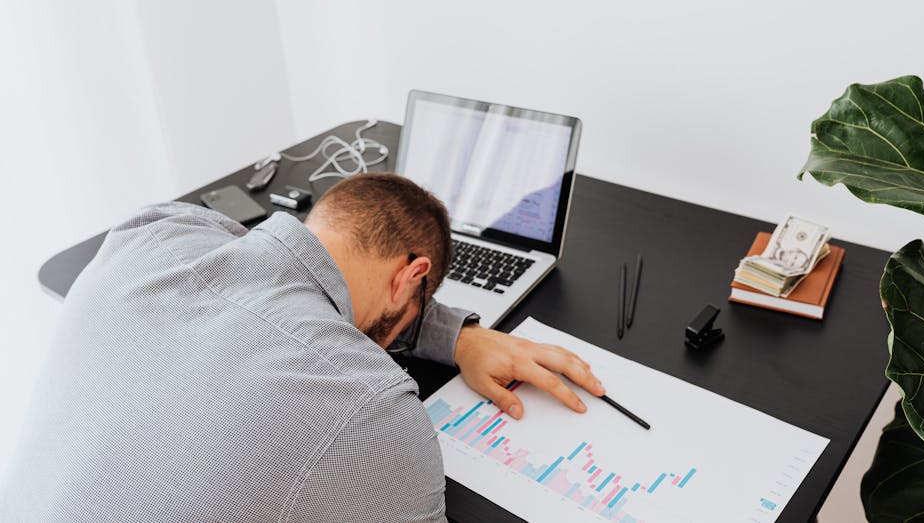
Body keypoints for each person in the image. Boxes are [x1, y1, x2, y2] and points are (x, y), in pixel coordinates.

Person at [1, 173, 604, 522]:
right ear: (411, 276)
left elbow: (278, 261)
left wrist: (459, 336)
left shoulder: (154, 232)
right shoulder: (374, 411)